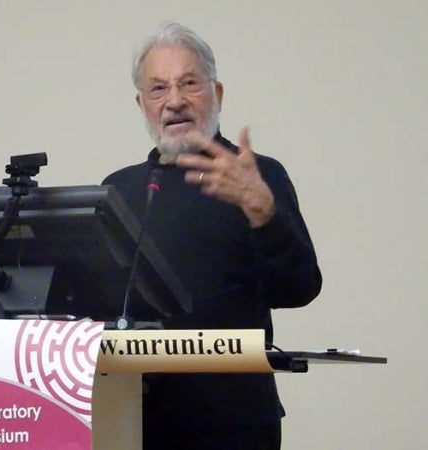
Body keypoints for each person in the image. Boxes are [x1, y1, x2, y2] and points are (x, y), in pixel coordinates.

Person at [102, 22, 322, 450]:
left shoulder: (257, 175)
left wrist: (263, 211)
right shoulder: (118, 190)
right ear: (141, 103)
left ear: (217, 94)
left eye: (189, 84)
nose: (175, 101)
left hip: (233, 422)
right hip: (132, 418)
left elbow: (299, 289)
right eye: (158, 89)